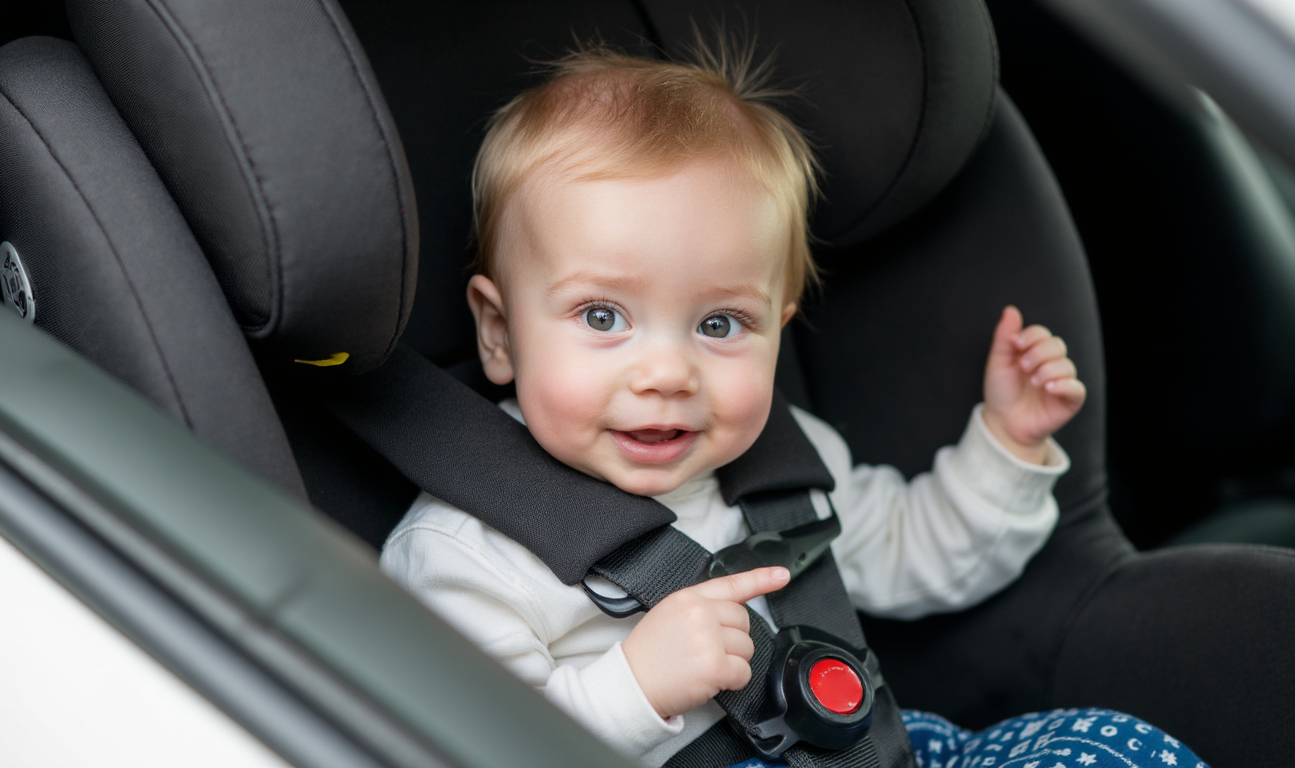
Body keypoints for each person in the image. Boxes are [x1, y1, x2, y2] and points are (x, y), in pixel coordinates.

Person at [380, 43, 1205, 768]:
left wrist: (1009, 445)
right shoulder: (467, 553)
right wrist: (632, 688)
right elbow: (460, 741)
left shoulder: (780, 464)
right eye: (603, 317)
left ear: (777, 330)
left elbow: (918, 554)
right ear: (499, 332)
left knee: (1102, 743)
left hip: (876, 748)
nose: (668, 371)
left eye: (719, 323)